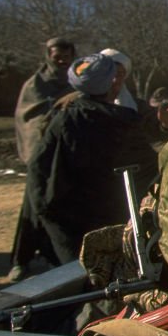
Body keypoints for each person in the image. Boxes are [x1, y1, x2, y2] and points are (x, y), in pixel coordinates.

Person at [25, 53, 159, 265]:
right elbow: (148, 164)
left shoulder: (62, 118)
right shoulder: (123, 121)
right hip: (113, 212)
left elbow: (39, 167)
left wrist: (44, 209)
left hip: (71, 215)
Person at [8, 36, 76, 281]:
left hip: (67, 157)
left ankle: (53, 259)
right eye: (57, 56)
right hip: (41, 157)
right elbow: (28, 119)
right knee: (32, 209)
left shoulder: (75, 83)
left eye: (66, 57)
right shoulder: (35, 85)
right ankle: (20, 260)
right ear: (48, 55)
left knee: (60, 209)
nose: (61, 60)